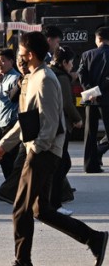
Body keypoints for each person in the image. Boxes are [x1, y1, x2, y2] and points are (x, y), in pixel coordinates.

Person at [0, 32, 107, 266]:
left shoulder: (44, 78)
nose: (19, 59)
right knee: (39, 210)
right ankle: (94, 238)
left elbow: (51, 123)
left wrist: (36, 149)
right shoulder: (31, 78)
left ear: (30, 54)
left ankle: (23, 263)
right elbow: (26, 121)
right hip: (39, 149)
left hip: (43, 152)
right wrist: (5, 143)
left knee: (20, 208)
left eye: (22, 55)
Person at [51, 47, 82, 214]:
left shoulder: (49, 72)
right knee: (62, 163)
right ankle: (54, 203)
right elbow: (67, 103)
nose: (72, 66)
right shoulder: (62, 77)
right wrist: (77, 119)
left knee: (60, 163)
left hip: (51, 125)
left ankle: (53, 199)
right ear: (64, 62)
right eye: (71, 63)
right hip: (60, 126)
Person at [0, 48, 24, 202]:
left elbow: (12, 98)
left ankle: (11, 189)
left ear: (11, 61)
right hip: (3, 122)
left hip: (12, 123)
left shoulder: (14, 78)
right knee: (6, 158)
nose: (0, 64)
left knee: (5, 157)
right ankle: (12, 187)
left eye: (3, 61)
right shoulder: (1, 77)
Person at [77, 26, 109, 173]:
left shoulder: (86, 55)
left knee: (90, 132)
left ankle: (90, 165)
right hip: (107, 99)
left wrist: (91, 91)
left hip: (91, 98)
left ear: (98, 39)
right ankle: (98, 152)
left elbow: (81, 75)